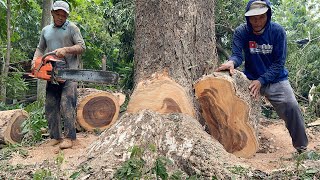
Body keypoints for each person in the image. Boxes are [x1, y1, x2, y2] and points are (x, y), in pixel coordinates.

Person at [216, 0, 308, 153]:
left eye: (261, 17)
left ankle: (301, 147)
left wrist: (262, 80)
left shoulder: (277, 32)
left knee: (291, 106)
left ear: (268, 16)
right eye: (253, 18)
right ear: (247, 18)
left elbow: (279, 63)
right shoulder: (242, 31)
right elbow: (237, 55)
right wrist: (231, 62)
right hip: (250, 79)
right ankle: (233, 146)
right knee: (234, 107)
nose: (257, 22)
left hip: (276, 79)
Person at [32, 1, 86, 149]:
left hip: (70, 73)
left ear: (67, 15)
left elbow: (82, 47)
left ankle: (70, 137)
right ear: (52, 13)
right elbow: (40, 48)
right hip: (52, 74)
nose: (60, 17)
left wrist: (66, 50)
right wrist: (35, 61)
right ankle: (55, 136)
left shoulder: (72, 28)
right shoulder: (46, 31)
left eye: (64, 15)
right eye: (58, 14)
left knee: (66, 103)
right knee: (50, 104)